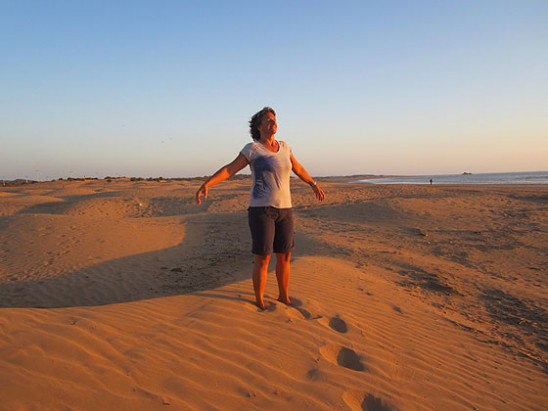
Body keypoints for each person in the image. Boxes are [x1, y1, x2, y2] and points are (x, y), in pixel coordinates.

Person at [195, 107, 325, 310]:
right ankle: (260, 300)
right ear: (259, 126)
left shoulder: (285, 147)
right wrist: (207, 184)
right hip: (261, 210)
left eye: (275, 120)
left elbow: (298, 168)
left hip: (285, 210)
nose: (273, 123)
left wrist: (313, 184)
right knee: (263, 257)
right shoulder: (253, 149)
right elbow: (230, 169)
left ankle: (284, 296)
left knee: (285, 256)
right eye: (269, 120)